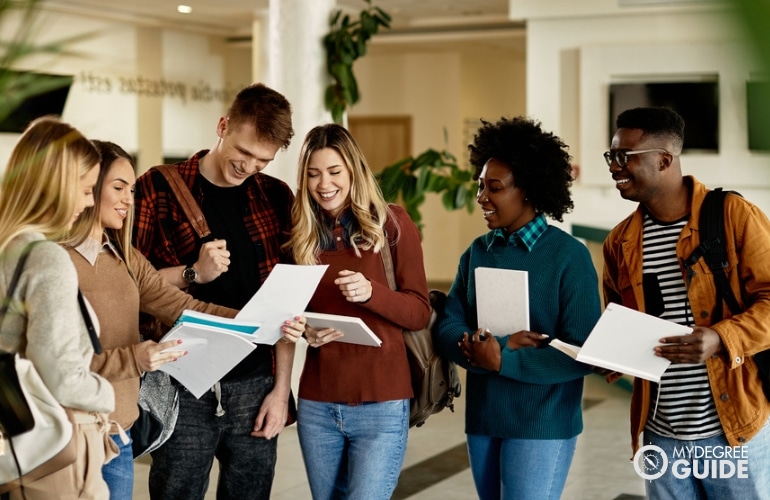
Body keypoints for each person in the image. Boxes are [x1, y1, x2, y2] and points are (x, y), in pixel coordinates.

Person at [64, 140, 284, 499]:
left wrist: (266, 322)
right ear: (87, 185)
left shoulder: (124, 256)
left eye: (131, 190)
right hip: (71, 433)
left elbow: (182, 306)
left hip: (118, 431)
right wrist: (136, 358)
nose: (128, 200)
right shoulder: (54, 259)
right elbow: (53, 361)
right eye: (118, 188)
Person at [133, 82, 300, 499]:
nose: (249, 167)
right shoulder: (156, 188)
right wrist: (192, 273)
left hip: (256, 384)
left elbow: (286, 303)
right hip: (182, 382)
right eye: (243, 153)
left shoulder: (276, 197)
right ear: (223, 125)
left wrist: (281, 392)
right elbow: (129, 282)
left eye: (262, 160)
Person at [602, 106, 770, 498]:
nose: (614, 166)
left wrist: (719, 338)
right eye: (611, 156)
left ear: (664, 159)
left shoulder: (733, 216)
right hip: (660, 436)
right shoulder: (620, 243)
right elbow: (617, 322)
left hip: (732, 431)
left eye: (625, 156)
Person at [434, 117, 602, 500]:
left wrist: (502, 360)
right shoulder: (477, 252)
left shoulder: (569, 257)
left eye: (494, 188)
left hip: (542, 421)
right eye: (480, 186)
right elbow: (449, 322)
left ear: (527, 190)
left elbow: (584, 352)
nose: (481, 197)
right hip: (484, 416)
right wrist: (472, 344)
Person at [285, 123, 431, 499]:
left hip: (382, 404)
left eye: (334, 172)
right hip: (317, 403)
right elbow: (291, 309)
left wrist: (371, 294)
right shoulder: (301, 231)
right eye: (313, 174)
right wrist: (306, 331)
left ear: (354, 171)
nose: (324, 184)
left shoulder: (392, 223)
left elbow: (418, 312)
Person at [0, 116, 116, 498]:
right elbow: (63, 377)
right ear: (54, 187)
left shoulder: (7, 250)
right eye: (85, 189)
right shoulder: (45, 258)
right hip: (58, 448)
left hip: (13, 438)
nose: (87, 203)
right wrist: (107, 395)